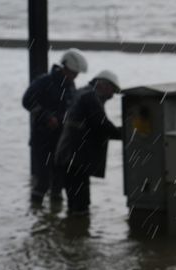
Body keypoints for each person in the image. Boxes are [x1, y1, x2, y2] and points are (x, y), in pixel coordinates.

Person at [22, 48, 88, 205]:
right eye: (72, 73)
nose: (74, 77)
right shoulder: (43, 82)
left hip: (60, 141)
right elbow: (27, 101)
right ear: (64, 68)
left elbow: (72, 107)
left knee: (59, 182)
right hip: (42, 139)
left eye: (76, 74)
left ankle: (55, 215)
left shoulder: (70, 86)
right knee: (43, 181)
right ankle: (37, 217)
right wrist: (46, 117)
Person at [55, 70, 122, 215]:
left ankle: (70, 231)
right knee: (81, 203)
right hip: (77, 158)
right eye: (113, 91)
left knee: (73, 200)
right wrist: (127, 134)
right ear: (103, 85)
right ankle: (79, 234)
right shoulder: (90, 97)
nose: (112, 96)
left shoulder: (82, 92)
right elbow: (101, 124)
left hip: (68, 156)